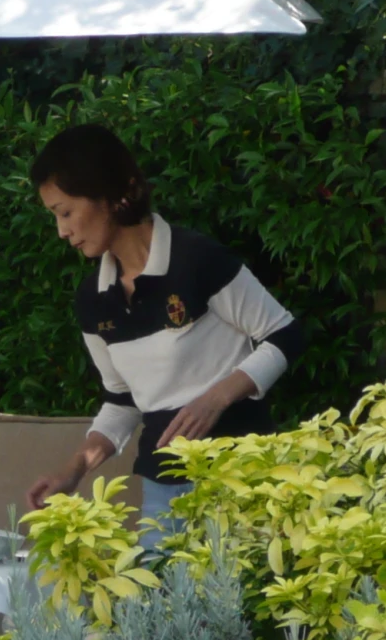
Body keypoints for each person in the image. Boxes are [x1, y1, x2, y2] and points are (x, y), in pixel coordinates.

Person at [22, 124, 306, 522]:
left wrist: (217, 396)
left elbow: (286, 334)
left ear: (109, 195)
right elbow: (122, 401)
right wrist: (75, 470)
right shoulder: (93, 300)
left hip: (242, 478)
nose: (61, 230)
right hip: (162, 490)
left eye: (65, 212)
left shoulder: (197, 260)